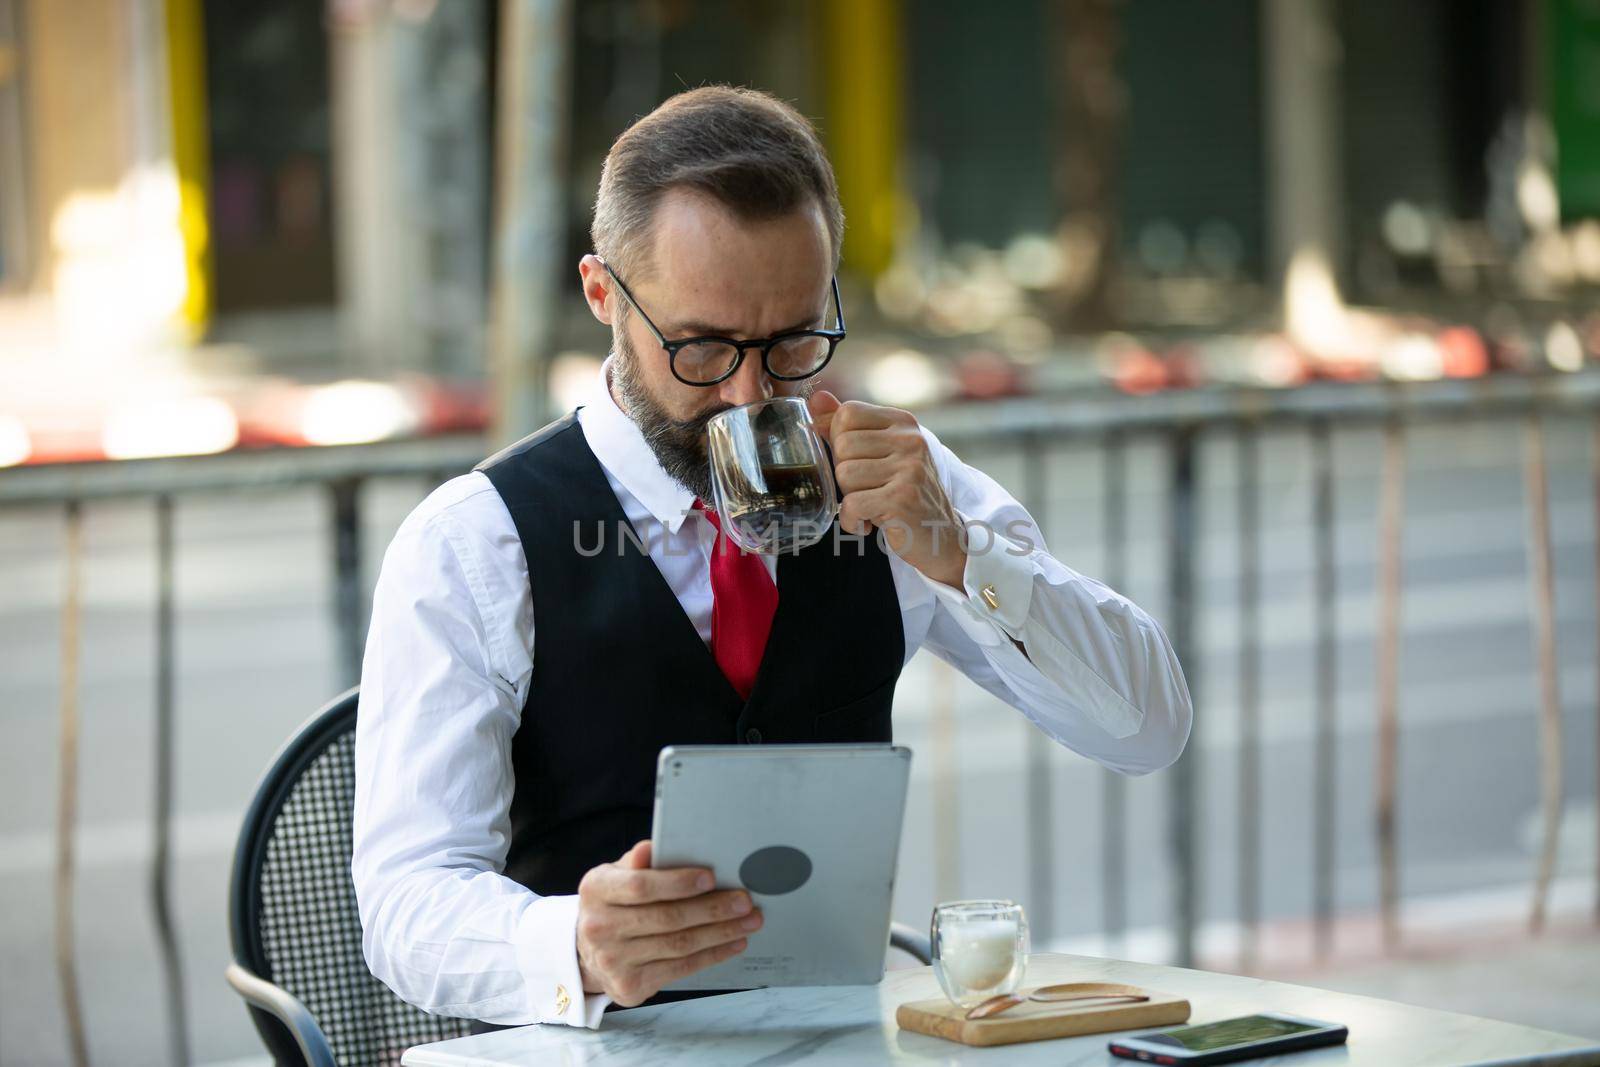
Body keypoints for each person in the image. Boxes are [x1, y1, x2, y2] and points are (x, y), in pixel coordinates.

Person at [352, 86, 1192, 1031]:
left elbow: (1146, 727)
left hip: (842, 1038)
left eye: (795, 341)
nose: (752, 394)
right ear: (603, 295)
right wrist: (570, 943)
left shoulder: (899, 479)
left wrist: (962, 556)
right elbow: (403, 898)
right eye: (704, 347)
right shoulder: (473, 540)